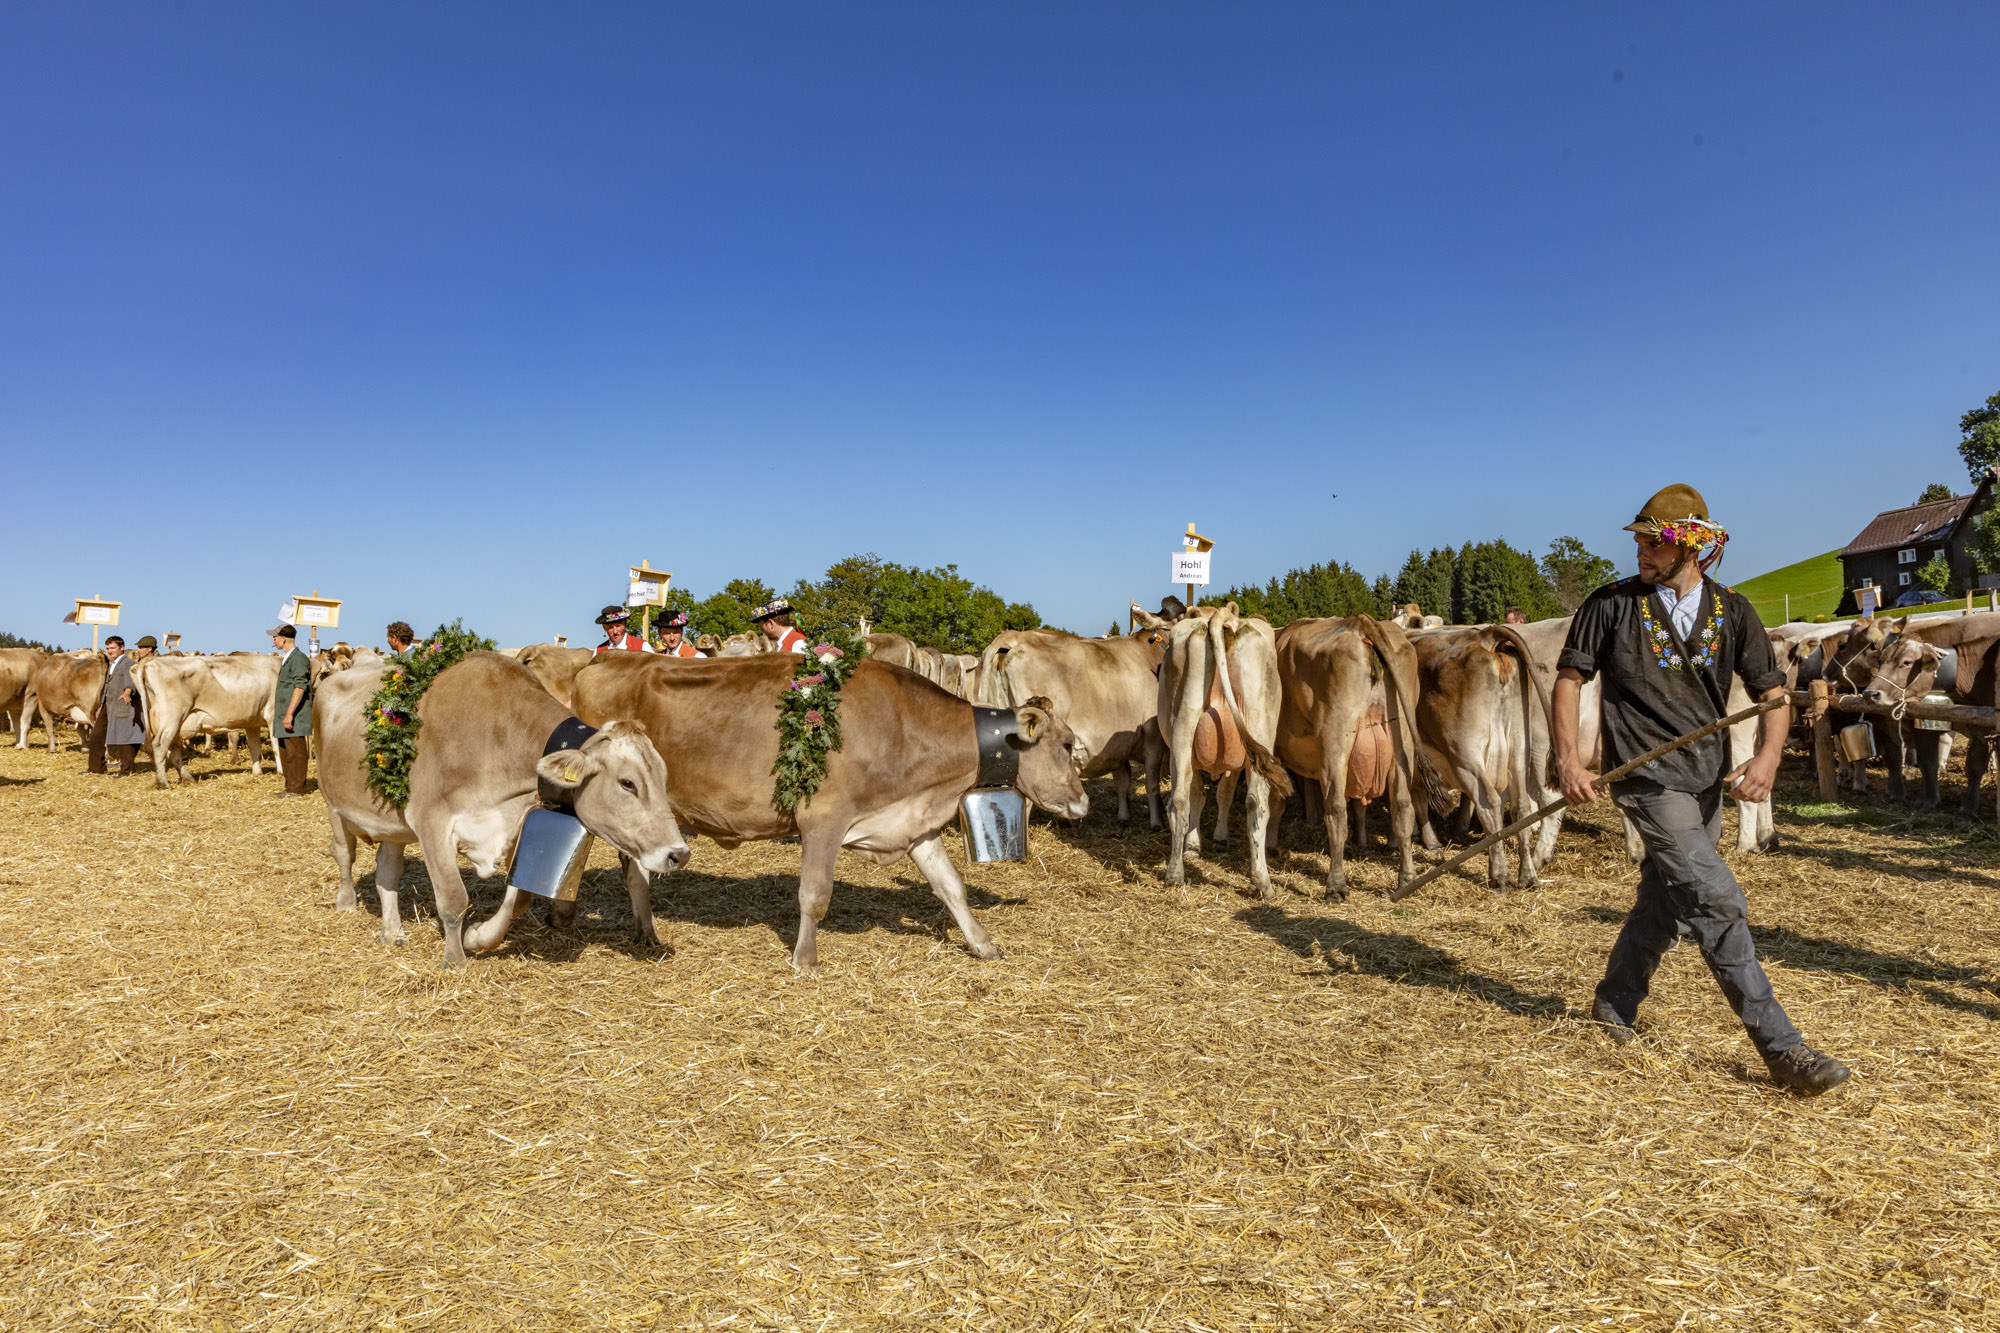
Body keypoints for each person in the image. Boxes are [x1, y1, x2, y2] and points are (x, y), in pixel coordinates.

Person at [1553, 483, 1849, 1096]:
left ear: (1689, 546)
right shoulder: (1609, 604)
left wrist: (1768, 757)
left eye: (1653, 543)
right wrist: (1569, 762)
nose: (1641, 552)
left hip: (1706, 778)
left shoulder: (1733, 610)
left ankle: (1614, 1002)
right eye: (1639, 542)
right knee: (1715, 901)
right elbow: (1569, 680)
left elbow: (1772, 694)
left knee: (1665, 903)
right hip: (1646, 779)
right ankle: (1783, 1050)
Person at [87, 634, 145, 775]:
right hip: (108, 706)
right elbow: (107, 687)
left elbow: (131, 681)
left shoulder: (128, 663)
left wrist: (127, 692)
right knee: (96, 736)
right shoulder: (112, 664)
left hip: (123, 704)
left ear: (122, 647)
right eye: (108, 648)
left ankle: (127, 771)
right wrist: (101, 706)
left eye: (113, 648)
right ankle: (96, 769)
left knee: (123, 738)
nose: (110, 651)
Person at [268, 623, 313, 798]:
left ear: (284, 639)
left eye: (275, 637)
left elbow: (300, 687)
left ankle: (297, 789)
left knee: (296, 752)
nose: (273, 641)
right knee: (286, 752)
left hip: (294, 715)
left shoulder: (298, 659)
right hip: (285, 713)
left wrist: (289, 714)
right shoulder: (289, 658)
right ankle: (290, 787)